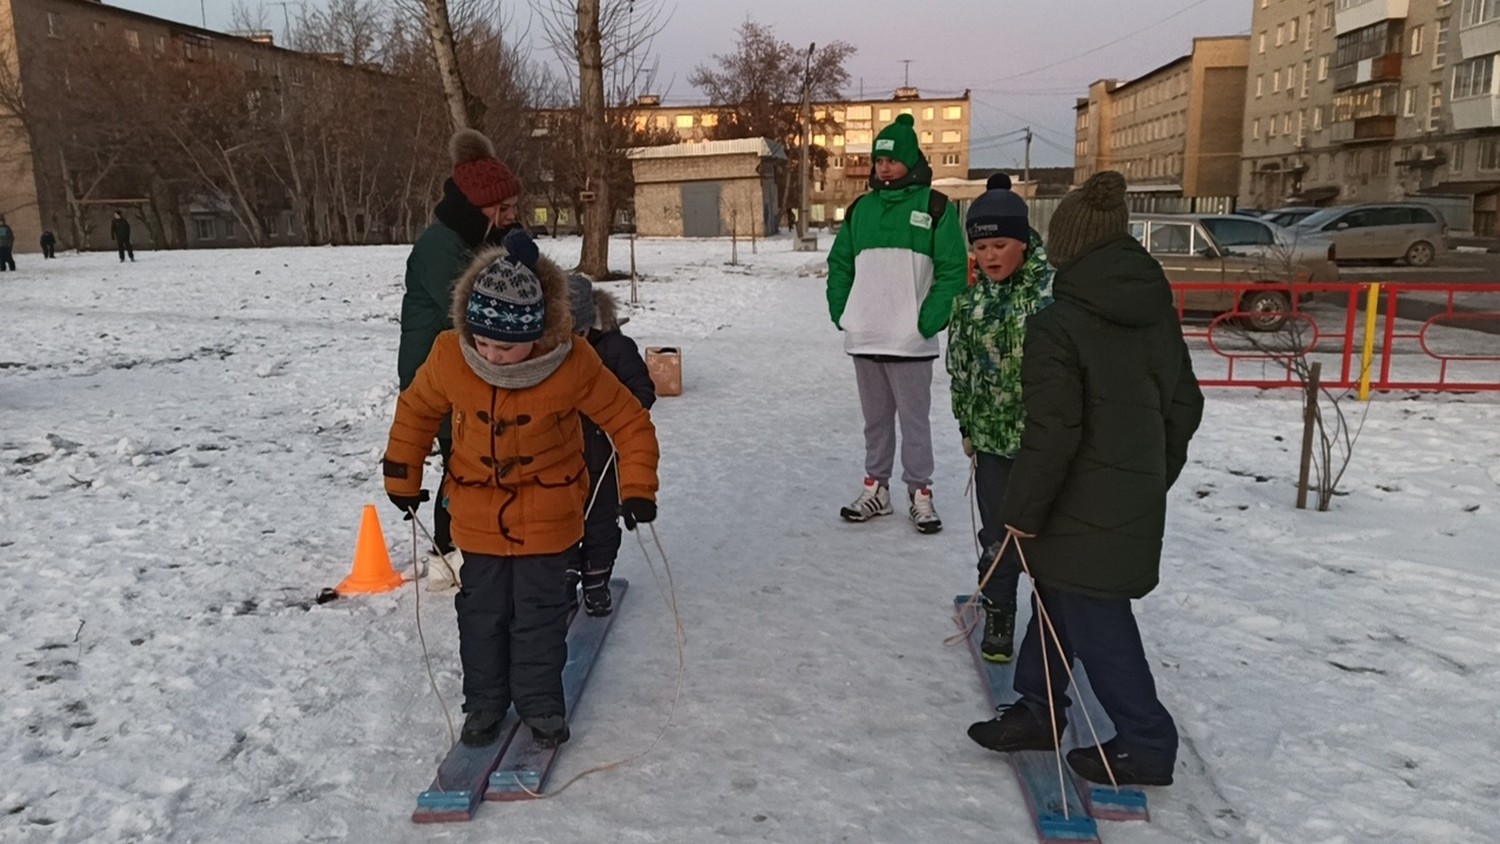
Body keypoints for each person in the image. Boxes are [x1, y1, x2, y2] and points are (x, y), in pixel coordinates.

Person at [966, 171, 1204, 788]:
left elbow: (1053, 434)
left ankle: (1147, 742)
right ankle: (1039, 709)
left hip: (1073, 499)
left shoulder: (1059, 324)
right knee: (1057, 601)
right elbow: (1185, 405)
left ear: (1067, 245)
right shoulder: (1153, 312)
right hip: (1126, 494)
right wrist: (1149, 475)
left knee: (1098, 621)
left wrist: (1021, 513)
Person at [384, 228, 660, 750]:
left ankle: (540, 703)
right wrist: (402, 475)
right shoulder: (450, 355)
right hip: (476, 515)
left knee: (539, 614)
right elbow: (416, 410)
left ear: (536, 333)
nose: (491, 355)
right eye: (482, 342)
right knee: (481, 615)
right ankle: (485, 702)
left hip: (550, 515)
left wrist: (638, 488)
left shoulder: (573, 362)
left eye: (506, 346)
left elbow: (629, 421)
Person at [826, 113, 968, 533]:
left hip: (909, 341)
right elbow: (840, 264)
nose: (884, 168)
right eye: (879, 160)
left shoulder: (935, 207)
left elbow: (952, 271)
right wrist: (843, 312)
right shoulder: (861, 209)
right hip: (866, 337)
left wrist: (926, 321)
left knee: (914, 422)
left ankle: (920, 492)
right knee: (875, 422)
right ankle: (877, 488)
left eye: (892, 160)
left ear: (910, 160)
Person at [398, 128, 523, 573]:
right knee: (461, 462)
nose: (512, 216)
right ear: (477, 207)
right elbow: (475, 309)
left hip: (474, 367)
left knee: (480, 457)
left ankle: (476, 540)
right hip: (438, 378)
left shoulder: (480, 238)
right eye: (503, 209)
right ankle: (449, 551)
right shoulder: (440, 247)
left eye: (513, 207)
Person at [946, 173, 1053, 663]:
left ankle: (1056, 619)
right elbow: (960, 369)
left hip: (1046, 443)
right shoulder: (969, 304)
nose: (989, 256)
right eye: (981, 246)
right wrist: (967, 425)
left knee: (1049, 536)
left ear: (1024, 241)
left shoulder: (1051, 295)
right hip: (992, 443)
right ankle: (1000, 611)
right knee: (997, 534)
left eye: (1000, 245)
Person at [565, 274, 656, 617]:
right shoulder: (552, 353)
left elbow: (643, 391)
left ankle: (596, 582)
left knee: (600, 523)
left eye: (577, 333)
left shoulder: (616, 347)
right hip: (564, 458)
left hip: (604, 459)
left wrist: (611, 415)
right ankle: (564, 582)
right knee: (561, 523)